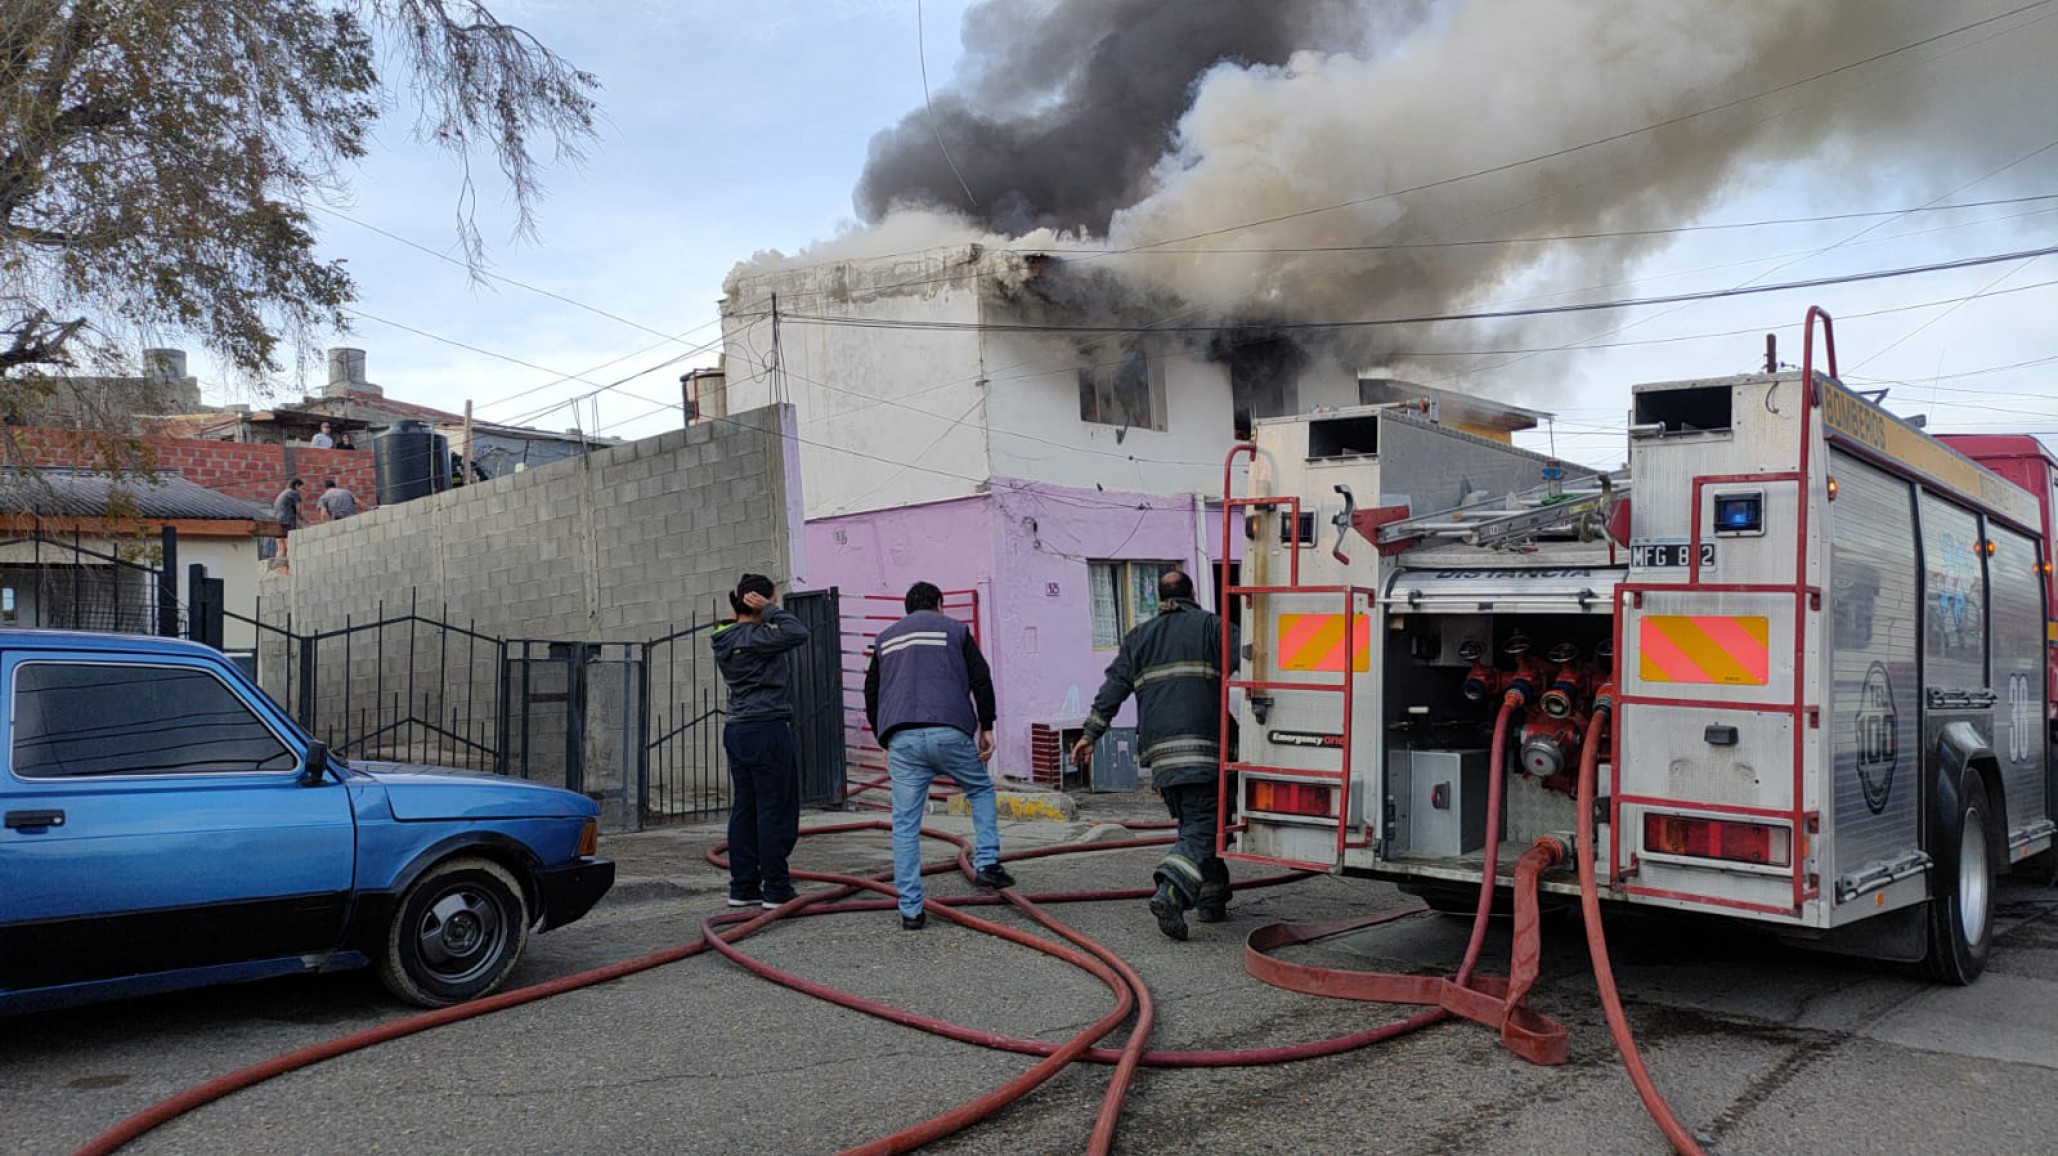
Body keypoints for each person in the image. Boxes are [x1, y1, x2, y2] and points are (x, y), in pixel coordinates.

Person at [1072, 569, 1237, 940]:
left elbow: (1113, 687)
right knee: (1204, 824)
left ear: (1159, 599)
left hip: (1160, 753)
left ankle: (1212, 897)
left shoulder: (1138, 637)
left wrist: (1089, 734)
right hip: (1204, 748)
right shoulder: (1213, 627)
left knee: (1194, 822)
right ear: (1192, 594)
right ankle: (1171, 889)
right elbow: (1253, 661)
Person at [864, 582, 1015, 931]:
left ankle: (911, 911)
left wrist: (883, 733)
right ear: (940, 604)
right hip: (950, 729)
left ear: (907, 608)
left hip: (900, 735)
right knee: (978, 790)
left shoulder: (885, 638)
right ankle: (988, 863)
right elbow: (981, 679)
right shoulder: (955, 630)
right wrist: (987, 726)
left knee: (904, 824)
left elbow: (871, 691)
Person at [710, 573, 810, 910]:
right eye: (771, 599)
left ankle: (743, 886)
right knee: (774, 809)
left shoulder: (724, 636)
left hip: (736, 729)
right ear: (757, 600)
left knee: (746, 808)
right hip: (766, 726)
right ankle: (777, 889)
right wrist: (770, 610)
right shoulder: (755, 636)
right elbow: (798, 632)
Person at [271, 477, 304, 556]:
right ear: (296, 486)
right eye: (302, 487)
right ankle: (291, 566)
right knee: (289, 545)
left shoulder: (282, 494)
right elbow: (299, 511)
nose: (303, 490)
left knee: (280, 547)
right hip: (287, 522)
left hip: (277, 521)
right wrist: (306, 521)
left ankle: (279, 565)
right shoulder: (294, 493)